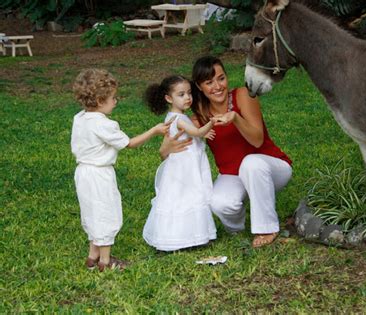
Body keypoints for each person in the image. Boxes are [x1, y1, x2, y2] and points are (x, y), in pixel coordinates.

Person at [161, 56, 293, 248]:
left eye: (221, 78)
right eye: (209, 82)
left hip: (271, 168)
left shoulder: (243, 96)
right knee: (219, 203)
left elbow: (257, 140)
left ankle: (267, 227)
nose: (217, 86)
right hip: (233, 174)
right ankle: (237, 228)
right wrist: (166, 148)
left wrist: (236, 119)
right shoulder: (198, 118)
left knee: (251, 163)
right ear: (199, 87)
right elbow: (167, 152)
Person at [71, 68, 171, 271]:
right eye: (112, 98)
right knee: (107, 213)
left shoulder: (79, 118)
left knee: (92, 213)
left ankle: (92, 256)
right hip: (100, 174)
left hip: (82, 173)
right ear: (100, 101)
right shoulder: (104, 125)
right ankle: (105, 262)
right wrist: (154, 130)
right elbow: (130, 143)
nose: (115, 101)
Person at [142, 75, 220, 251]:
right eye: (181, 94)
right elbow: (197, 132)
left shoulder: (173, 117)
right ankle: (186, 235)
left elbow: (194, 133)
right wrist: (211, 123)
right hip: (185, 166)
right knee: (189, 196)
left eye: (189, 93)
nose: (188, 98)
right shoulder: (179, 119)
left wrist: (201, 132)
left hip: (181, 163)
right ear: (169, 98)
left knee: (179, 197)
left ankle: (184, 235)